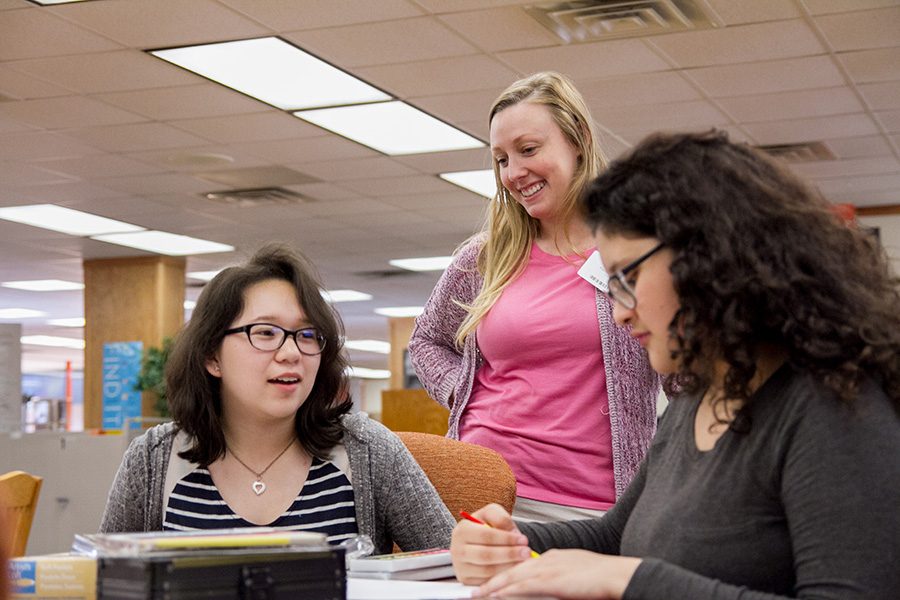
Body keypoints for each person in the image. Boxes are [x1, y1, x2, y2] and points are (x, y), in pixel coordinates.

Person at [450, 130, 900, 599]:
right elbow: (616, 538)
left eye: (628, 277)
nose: (619, 308)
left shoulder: (835, 408)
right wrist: (509, 542)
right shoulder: (696, 399)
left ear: (709, 258)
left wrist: (627, 582)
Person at [408, 72, 660, 522]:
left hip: (596, 508)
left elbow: (691, 366)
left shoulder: (633, 251)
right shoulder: (485, 258)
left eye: (528, 150)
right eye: (501, 159)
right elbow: (426, 340)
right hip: (483, 493)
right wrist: (466, 390)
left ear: (578, 138)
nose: (514, 173)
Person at [100, 243, 455, 554]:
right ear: (212, 356)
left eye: (307, 334)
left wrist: (481, 552)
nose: (291, 352)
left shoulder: (369, 451)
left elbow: (456, 570)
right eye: (266, 332)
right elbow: (103, 583)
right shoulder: (153, 460)